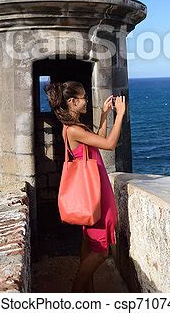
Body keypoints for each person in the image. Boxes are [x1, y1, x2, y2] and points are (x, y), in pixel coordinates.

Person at [44, 80, 126, 293]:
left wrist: (105, 116)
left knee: (89, 245)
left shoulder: (75, 127)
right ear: (72, 102)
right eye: (83, 98)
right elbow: (109, 144)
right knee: (100, 252)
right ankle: (76, 293)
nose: (86, 101)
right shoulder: (73, 130)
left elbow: (98, 139)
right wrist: (121, 115)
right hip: (95, 192)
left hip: (94, 190)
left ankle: (88, 294)